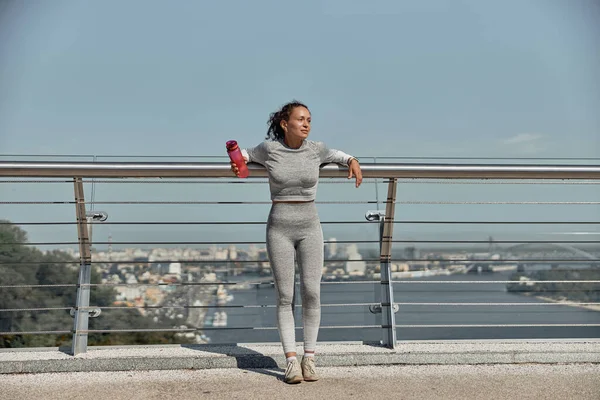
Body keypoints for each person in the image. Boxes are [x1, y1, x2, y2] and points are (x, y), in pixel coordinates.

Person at [231, 101, 362, 384]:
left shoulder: (316, 149)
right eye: (301, 119)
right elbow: (243, 155)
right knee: (285, 296)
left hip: (310, 227)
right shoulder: (269, 149)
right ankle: (290, 362)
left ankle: (309, 358)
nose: (306, 124)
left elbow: (340, 155)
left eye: (309, 120)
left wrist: (352, 161)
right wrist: (235, 160)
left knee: (312, 292)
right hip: (279, 227)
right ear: (284, 123)